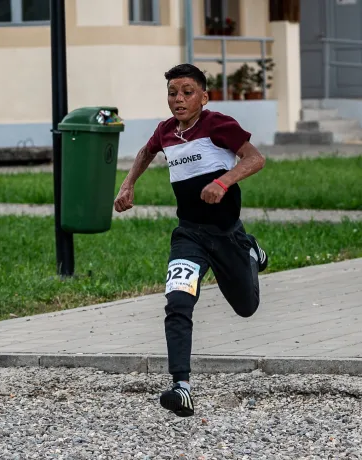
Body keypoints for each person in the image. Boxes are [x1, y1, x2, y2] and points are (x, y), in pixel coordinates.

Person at [114, 63, 268, 417]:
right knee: (178, 303)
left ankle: (250, 251)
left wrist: (223, 182)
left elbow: (255, 158)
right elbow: (146, 152)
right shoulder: (166, 131)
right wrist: (128, 184)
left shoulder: (218, 125)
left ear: (204, 96)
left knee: (246, 307)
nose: (178, 99)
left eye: (187, 92)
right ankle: (180, 386)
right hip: (188, 235)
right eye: (172, 93)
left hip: (227, 236)